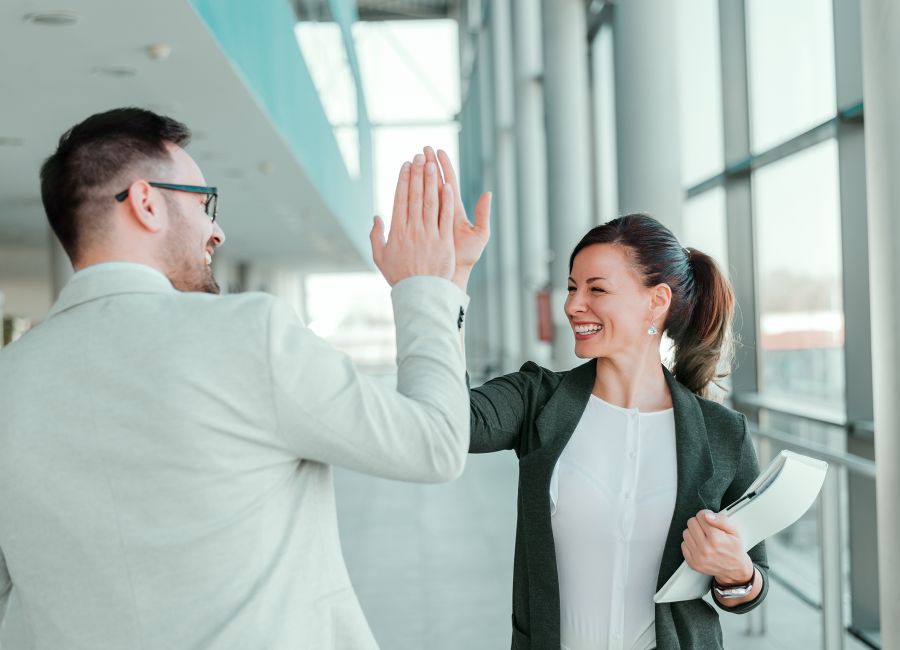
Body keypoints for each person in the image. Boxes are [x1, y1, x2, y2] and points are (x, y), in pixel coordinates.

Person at [0, 108, 488, 650]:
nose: (218, 230)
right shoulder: (248, 334)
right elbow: (435, 445)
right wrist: (428, 287)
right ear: (145, 202)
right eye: (204, 203)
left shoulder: (10, 381)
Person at [426, 155, 768, 650]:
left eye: (596, 289)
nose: (571, 305)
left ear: (657, 301)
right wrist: (450, 284)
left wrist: (737, 573)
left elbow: (749, 586)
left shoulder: (721, 434)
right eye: (571, 287)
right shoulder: (536, 399)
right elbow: (446, 423)